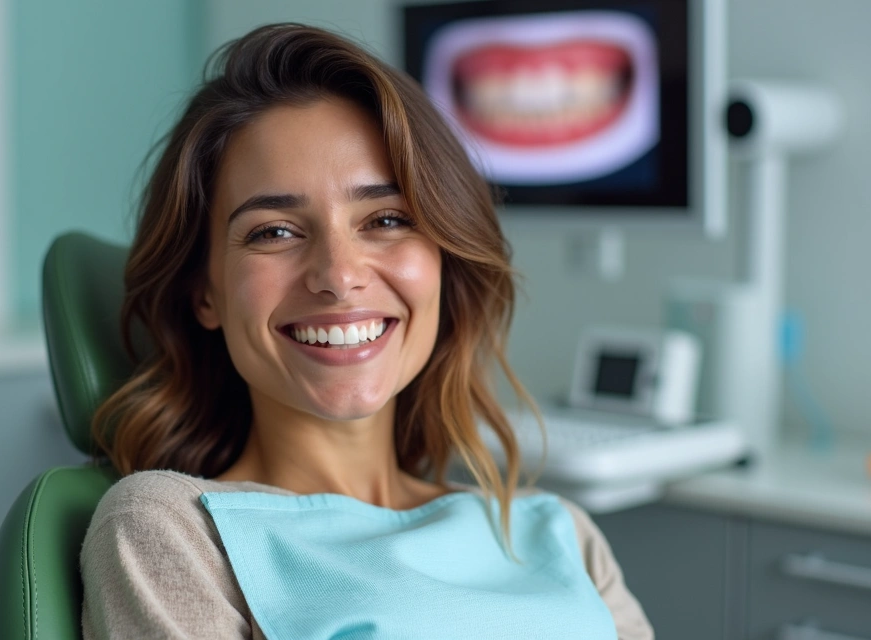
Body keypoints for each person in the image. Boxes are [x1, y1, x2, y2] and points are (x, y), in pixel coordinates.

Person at [80, 23, 653, 640]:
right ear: (206, 292)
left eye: (385, 219)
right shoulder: (172, 531)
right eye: (274, 231)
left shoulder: (560, 533)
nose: (339, 275)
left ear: (443, 261)